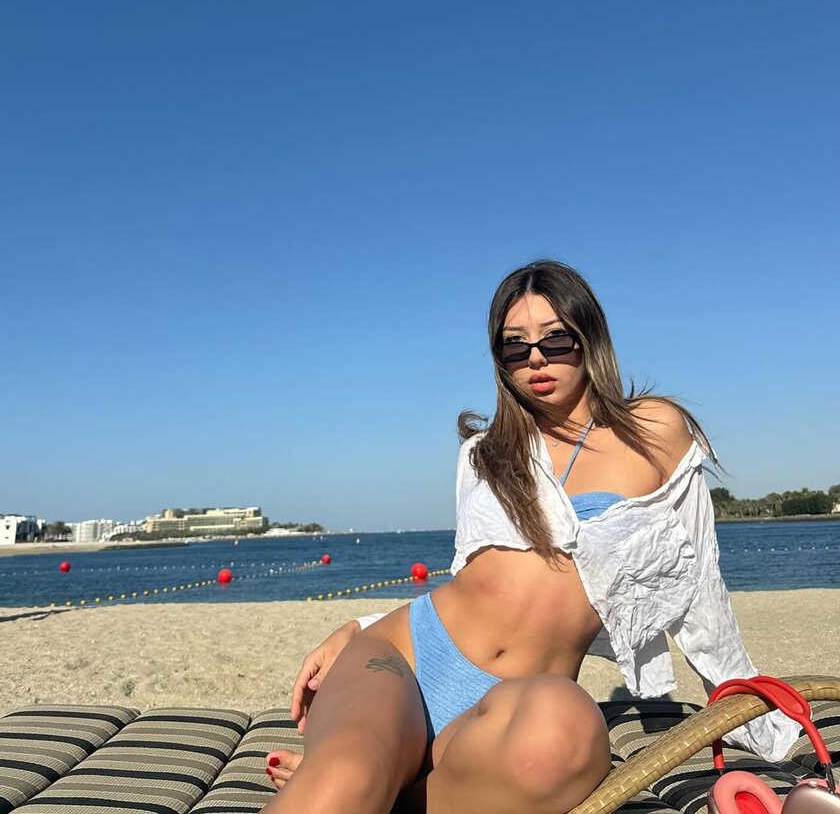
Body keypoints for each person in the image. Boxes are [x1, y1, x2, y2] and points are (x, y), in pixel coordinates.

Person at [263, 261, 799, 814]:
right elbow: (476, 580)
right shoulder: (484, 452)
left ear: (589, 337)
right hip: (405, 659)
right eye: (515, 346)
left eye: (555, 339)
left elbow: (699, 584)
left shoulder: (655, 431)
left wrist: (758, 719)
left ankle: (387, 784)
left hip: (520, 707)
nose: (536, 358)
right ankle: (363, 775)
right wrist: (362, 625)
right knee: (347, 776)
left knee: (563, 736)